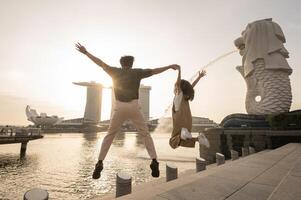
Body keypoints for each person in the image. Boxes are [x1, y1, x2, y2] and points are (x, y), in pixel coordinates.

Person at [75, 43, 179, 179]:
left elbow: (100, 63)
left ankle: (99, 163)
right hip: (134, 107)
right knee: (145, 134)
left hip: (120, 107)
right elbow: (154, 71)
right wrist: (169, 66)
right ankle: (154, 161)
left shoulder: (115, 71)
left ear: (121, 63)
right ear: (131, 64)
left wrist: (86, 52)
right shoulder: (137, 72)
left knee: (110, 135)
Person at [169, 66, 210, 149]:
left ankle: (182, 134)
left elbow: (178, 83)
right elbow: (192, 86)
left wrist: (179, 71)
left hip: (179, 119)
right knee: (183, 141)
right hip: (187, 120)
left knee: (172, 143)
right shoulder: (185, 97)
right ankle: (199, 139)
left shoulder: (179, 94)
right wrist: (199, 77)